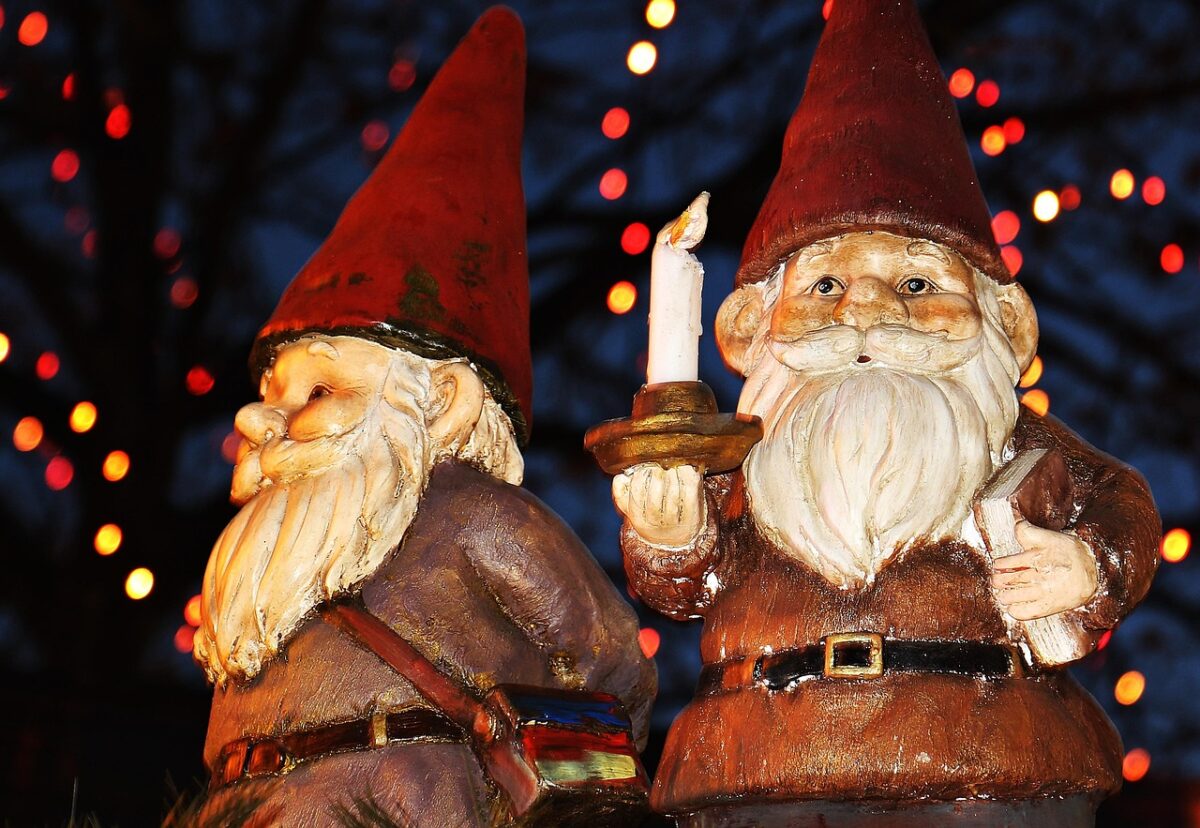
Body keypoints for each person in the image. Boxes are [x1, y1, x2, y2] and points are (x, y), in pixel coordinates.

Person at [610, 1, 1158, 825]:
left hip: (986, 760)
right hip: (759, 762)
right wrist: (670, 536)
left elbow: (1122, 506)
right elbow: (687, 588)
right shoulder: (754, 461)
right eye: (825, 285)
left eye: (915, 284)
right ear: (752, 325)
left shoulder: (1016, 444)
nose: (866, 313)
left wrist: (1090, 567)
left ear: (1002, 323)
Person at [187, 10, 655, 825]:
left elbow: (609, 661)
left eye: (320, 393)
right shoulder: (257, 575)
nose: (269, 423)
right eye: (275, 396)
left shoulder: (473, 516)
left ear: (441, 402)